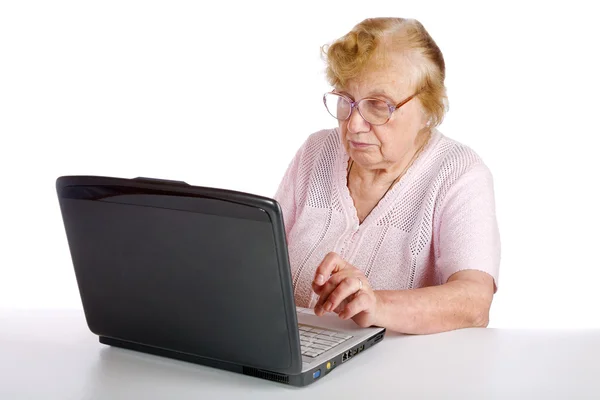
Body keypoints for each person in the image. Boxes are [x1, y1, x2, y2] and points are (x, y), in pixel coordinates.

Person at [274, 17, 500, 335]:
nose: (353, 124)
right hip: (296, 357)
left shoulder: (459, 173)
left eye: (378, 106)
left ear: (429, 109)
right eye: (346, 101)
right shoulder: (318, 150)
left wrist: (376, 305)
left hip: (398, 375)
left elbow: (474, 301)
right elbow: (261, 256)